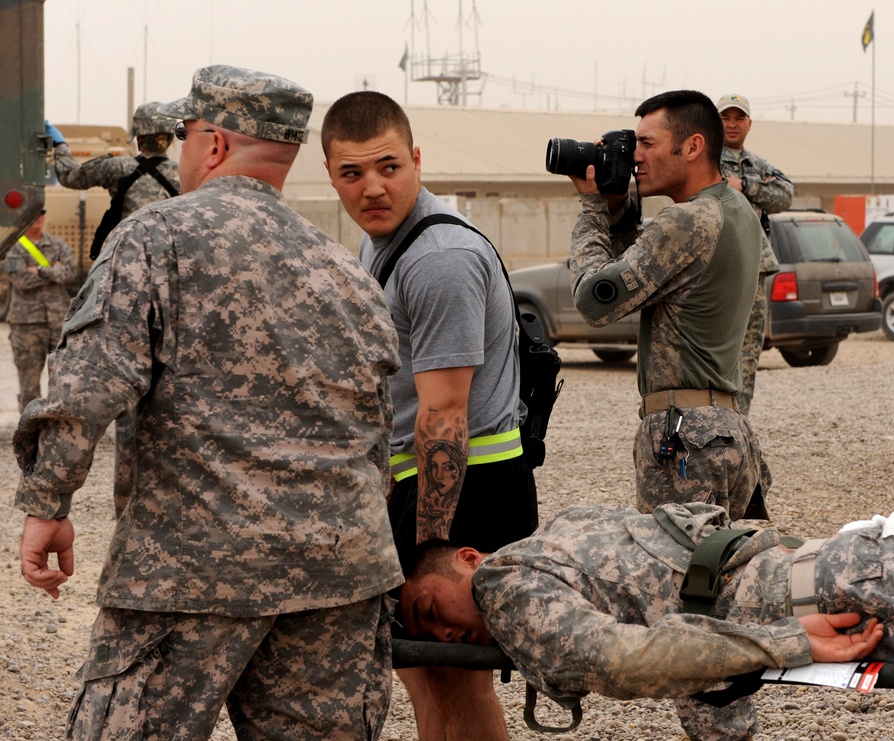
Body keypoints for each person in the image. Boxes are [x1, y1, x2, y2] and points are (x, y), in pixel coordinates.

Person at [15, 65, 403, 740]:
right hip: (338, 576)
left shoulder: (152, 239)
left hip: (190, 574)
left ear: (212, 143)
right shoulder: (349, 271)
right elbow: (379, 437)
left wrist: (48, 502)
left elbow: (87, 385)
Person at [401, 502, 894, 739]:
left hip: (844, 591)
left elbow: (618, 660)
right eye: (428, 637)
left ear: (468, 559)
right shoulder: (564, 530)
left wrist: (790, 643)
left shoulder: (501, 584)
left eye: (430, 610)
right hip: (840, 570)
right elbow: (686, 631)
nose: (444, 636)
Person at [322, 90, 538, 741]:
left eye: (389, 166)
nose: (373, 187)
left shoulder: (437, 258)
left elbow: (445, 412)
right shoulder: (381, 243)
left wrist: (427, 553)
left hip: (468, 489)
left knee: (453, 675)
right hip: (422, 488)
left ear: (417, 158)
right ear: (331, 176)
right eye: (352, 173)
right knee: (426, 674)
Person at [566, 89, 768, 521]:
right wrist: (618, 207)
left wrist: (591, 209)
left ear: (693, 146)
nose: (635, 156)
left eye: (647, 143)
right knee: (725, 576)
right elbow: (645, 272)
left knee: (676, 580)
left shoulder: (687, 219)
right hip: (725, 430)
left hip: (686, 436)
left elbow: (594, 301)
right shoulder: (735, 211)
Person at [716, 93, 795, 415]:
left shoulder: (756, 165)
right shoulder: (703, 159)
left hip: (754, 265)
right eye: (725, 117)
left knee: (748, 349)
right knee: (717, 343)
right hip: (716, 265)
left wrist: (744, 185)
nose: (732, 124)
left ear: (749, 123)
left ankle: (739, 418)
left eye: (739, 118)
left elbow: (785, 194)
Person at [47, 101, 181, 220]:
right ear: (170, 138)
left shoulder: (116, 167)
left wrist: (60, 144)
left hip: (128, 247)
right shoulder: (183, 174)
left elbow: (69, 176)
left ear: (138, 137)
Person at [3, 209, 76, 411]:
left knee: (63, 380)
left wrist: (40, 270)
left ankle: (56, 430)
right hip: (27, 324)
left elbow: (70, 272)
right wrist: (54, 270)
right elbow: (21, 279)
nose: (38, 217)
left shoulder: (57, 244)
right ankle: (29, 432)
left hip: (58, 320)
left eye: (42, 212)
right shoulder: (13, 246)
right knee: (29, 384)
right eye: (33, 212)